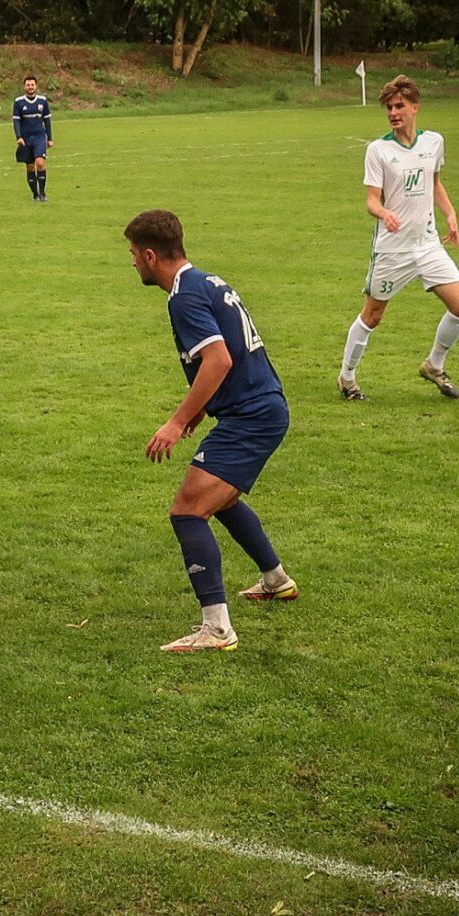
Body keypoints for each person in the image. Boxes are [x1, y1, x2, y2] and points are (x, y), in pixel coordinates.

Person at [125, 209, 296, 653]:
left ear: (150, 255)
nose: (133, 262)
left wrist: (177, 420)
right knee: (220, 498)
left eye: (134, 254)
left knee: (187, 511)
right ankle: (276, 580)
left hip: (250, 417)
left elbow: (218, 359)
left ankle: (217, 629)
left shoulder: (182, 297)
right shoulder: (206, 281)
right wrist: (200, 410)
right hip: (261, 407)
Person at [337, 74, 459, 401]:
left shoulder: (433, 142)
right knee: (372, 316)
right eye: (389, 108)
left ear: (415, 107)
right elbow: (371, 200)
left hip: (427, 245)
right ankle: (347, 378)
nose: (393, 113)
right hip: (392, 250)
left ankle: (434, 365)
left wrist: (450, 213)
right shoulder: (378, 150)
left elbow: (433, 182)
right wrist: (384, 213)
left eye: (399, 106)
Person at [12, 75, 53, 202]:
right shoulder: (19, 102)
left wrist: (50, 138)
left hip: (39, 137)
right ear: (24, 87)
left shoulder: (42, 101)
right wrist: (19, 137)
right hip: (26, 139)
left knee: (40, 163)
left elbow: (47, 120)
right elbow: (16, 121)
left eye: (32, 85)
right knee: (30, 167)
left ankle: (42, 193)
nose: (30, 87)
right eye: (28, 85)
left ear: (36, 86)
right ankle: (35, 194)